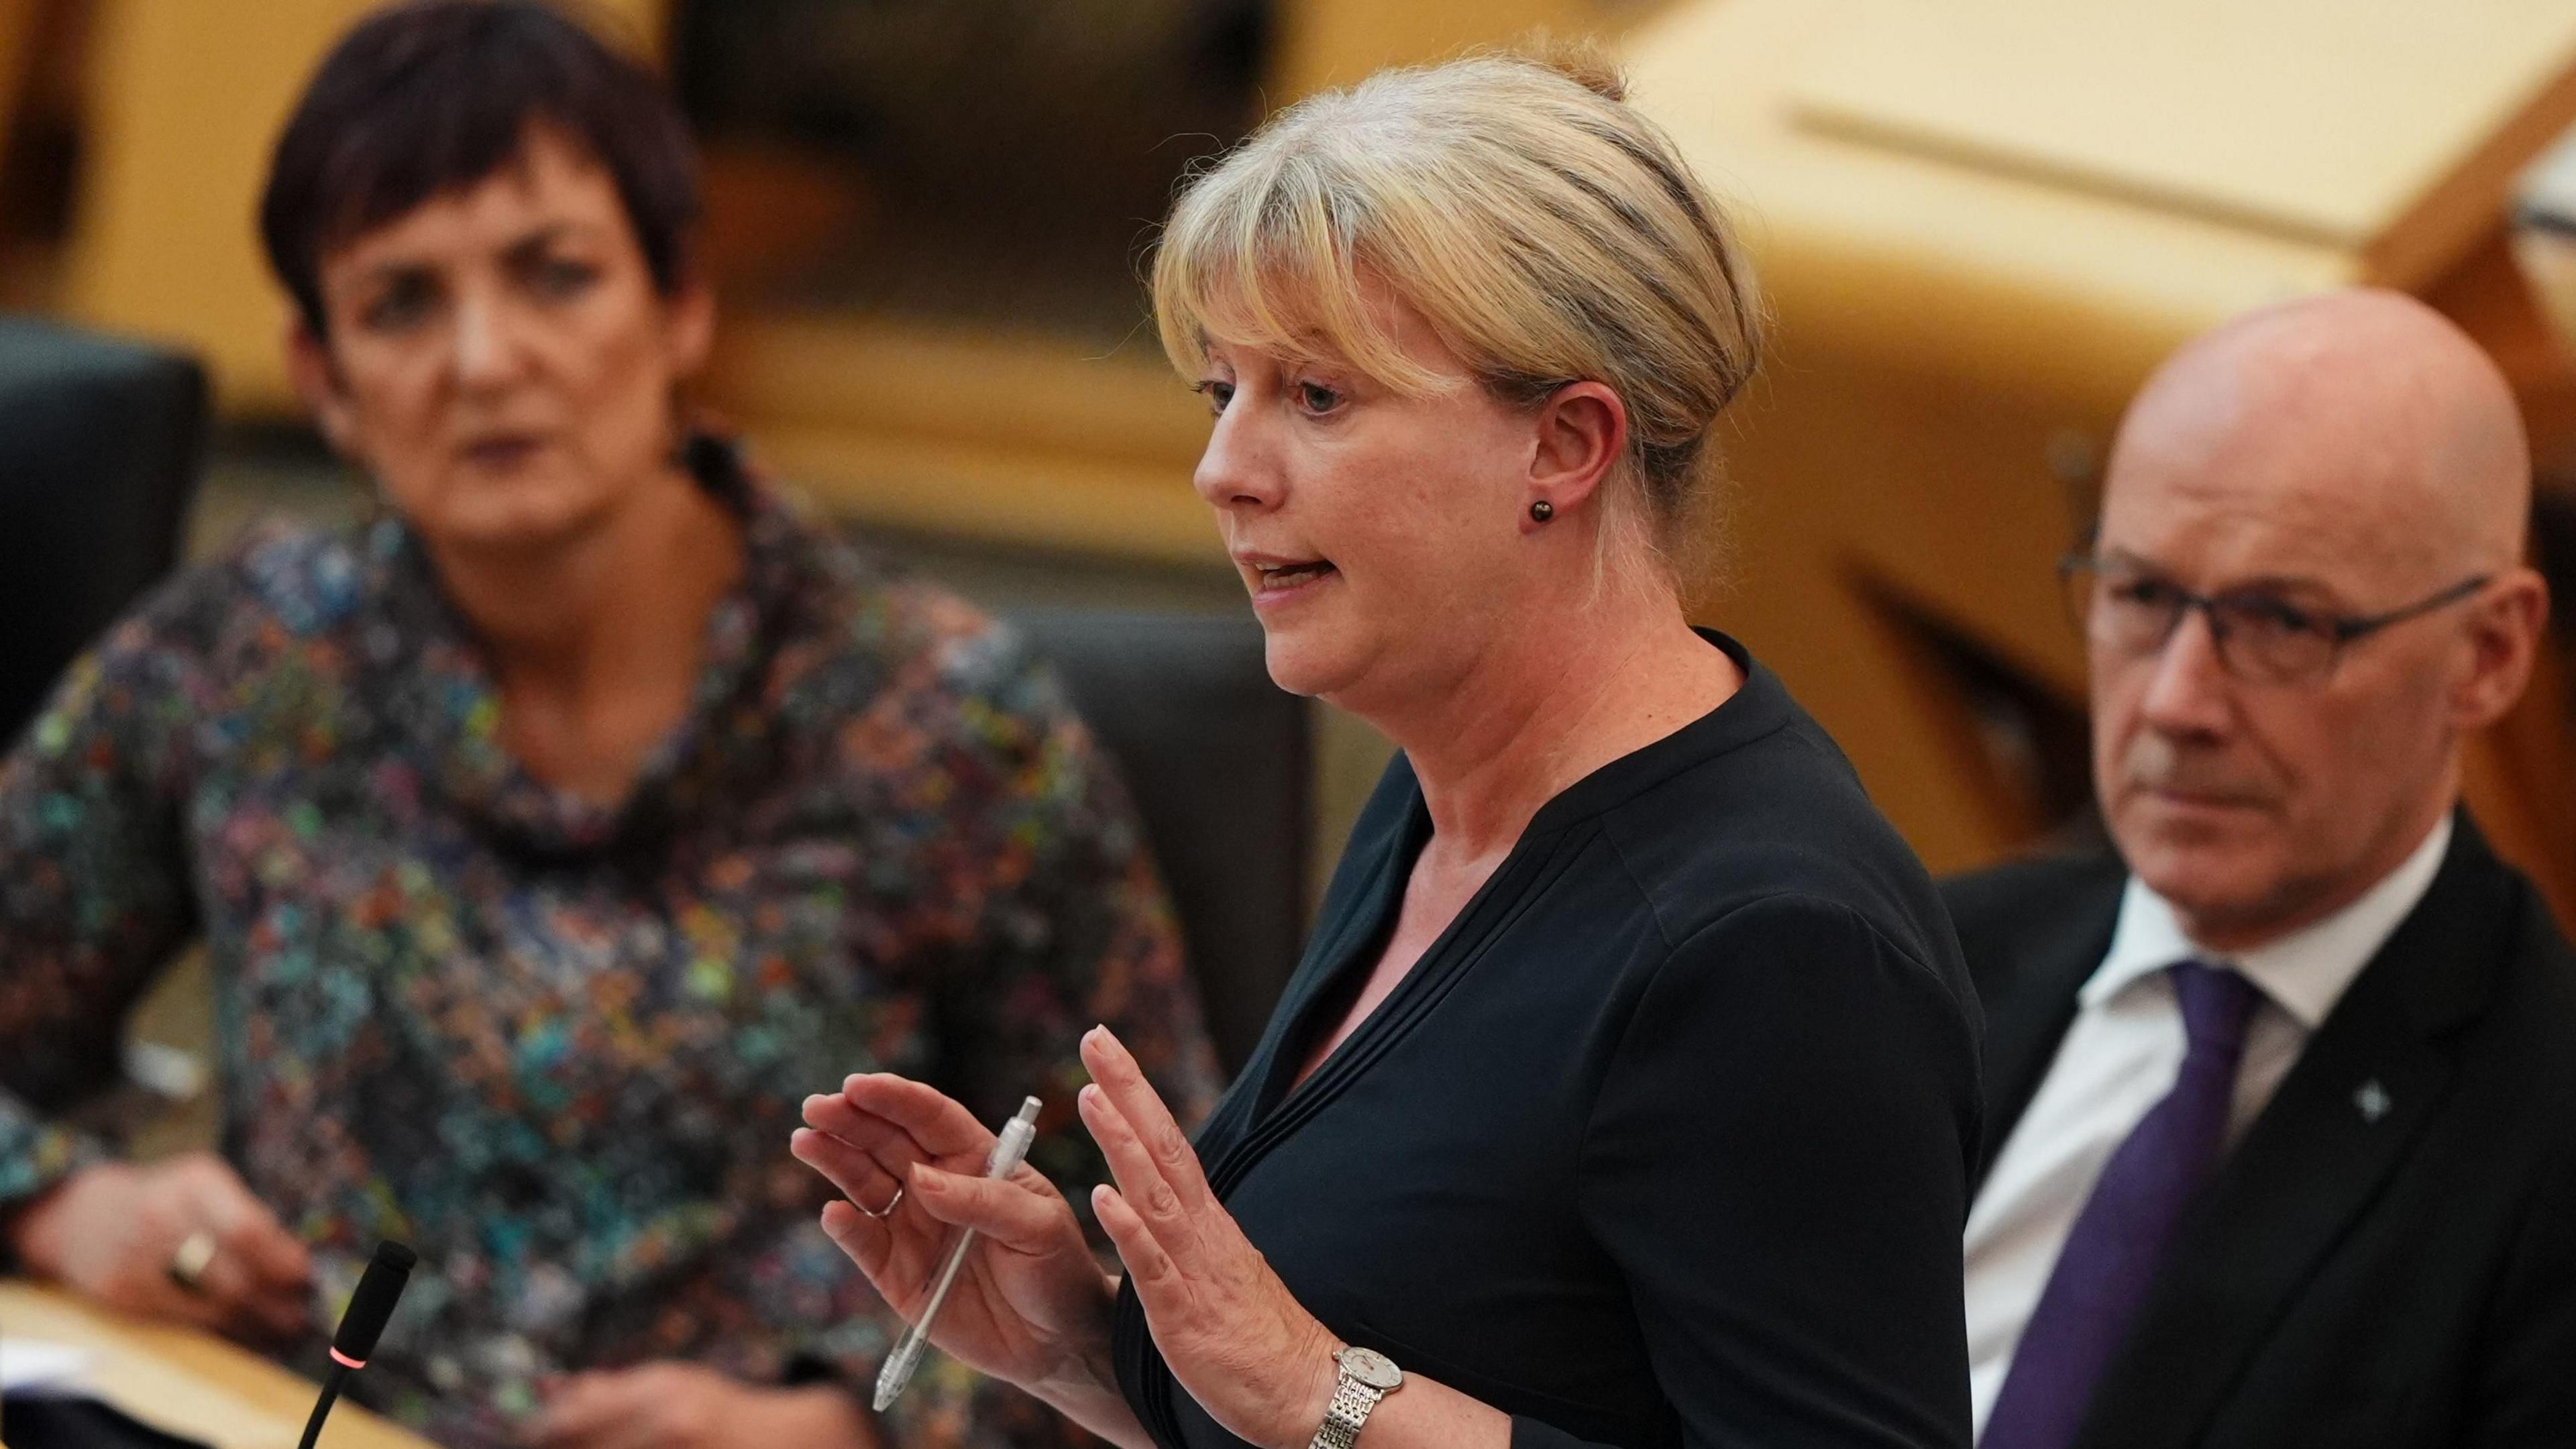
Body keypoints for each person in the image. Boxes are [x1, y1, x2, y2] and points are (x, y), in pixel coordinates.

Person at [0, 5, 1218, 1447]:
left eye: (555, 277)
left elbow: (1169, 1249)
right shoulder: (245, 656)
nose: (484, 359)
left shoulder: (941, 718)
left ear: (681, 304)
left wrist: (854, 1427)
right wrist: (66, 1198)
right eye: (399, 305)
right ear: (322, 377)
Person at [794, 50, 1982, 1449]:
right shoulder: (1444, 795)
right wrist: (1085, 1349)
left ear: (1567, 445)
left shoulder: (1771, 946)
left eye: (1317, 398)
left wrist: (1319, 1394)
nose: (1224, 468)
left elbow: (1326, 1398)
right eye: (1219, 391)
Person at [1950, 289, 2576, 1449]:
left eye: (2285, 623)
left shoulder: (2540, 1143)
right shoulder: (1918, 959)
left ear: (2487, 656)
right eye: (2139, 596)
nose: (2179, 702)